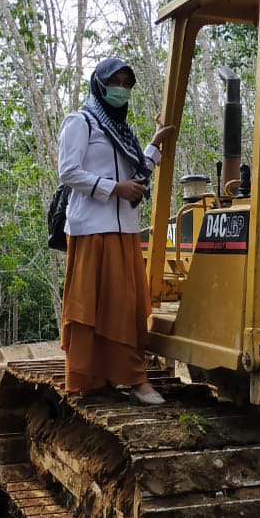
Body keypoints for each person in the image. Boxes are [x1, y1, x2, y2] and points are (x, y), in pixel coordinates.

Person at [58, 56, 174, 405]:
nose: (121, 88)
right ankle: (93, 377)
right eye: (116, 81)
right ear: (99, 83)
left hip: (124, 229)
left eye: (127, 83)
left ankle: (131, 377)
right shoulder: (81, 122)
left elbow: (138, 171)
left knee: (125, 307)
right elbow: (67, 172)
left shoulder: (121, 130)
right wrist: (113, 188)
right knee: (92, 306)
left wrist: (155, 143)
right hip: (92, 228)